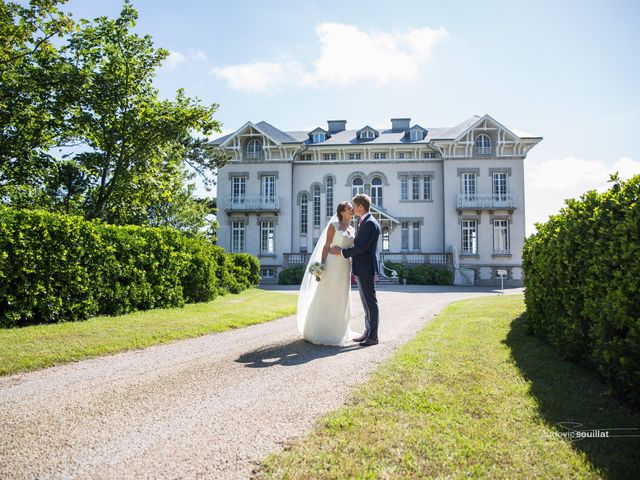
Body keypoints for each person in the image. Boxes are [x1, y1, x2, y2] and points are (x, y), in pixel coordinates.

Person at [297, 202, 358, 346]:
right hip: (332, 264)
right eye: (349, 208)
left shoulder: (352, 229)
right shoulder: (334, 226)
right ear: (342, 212)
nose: (352, 209)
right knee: (327, 294)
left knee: (342, 296)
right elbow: (326, 246)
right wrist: (321, 266)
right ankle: (320, 331)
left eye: (351, 208)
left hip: (345, 266)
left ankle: (340, 331)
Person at [330, 193, 381, 346]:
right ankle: (367, 331)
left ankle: (373, 336)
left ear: (360, 206)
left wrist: (342, 252)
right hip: (361, 268)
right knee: (366, 302)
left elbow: (361, 247)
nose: (352, 208)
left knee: (371, 302)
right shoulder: (362, 221)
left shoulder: (370, 223)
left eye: (354, 205)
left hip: (366, 268)